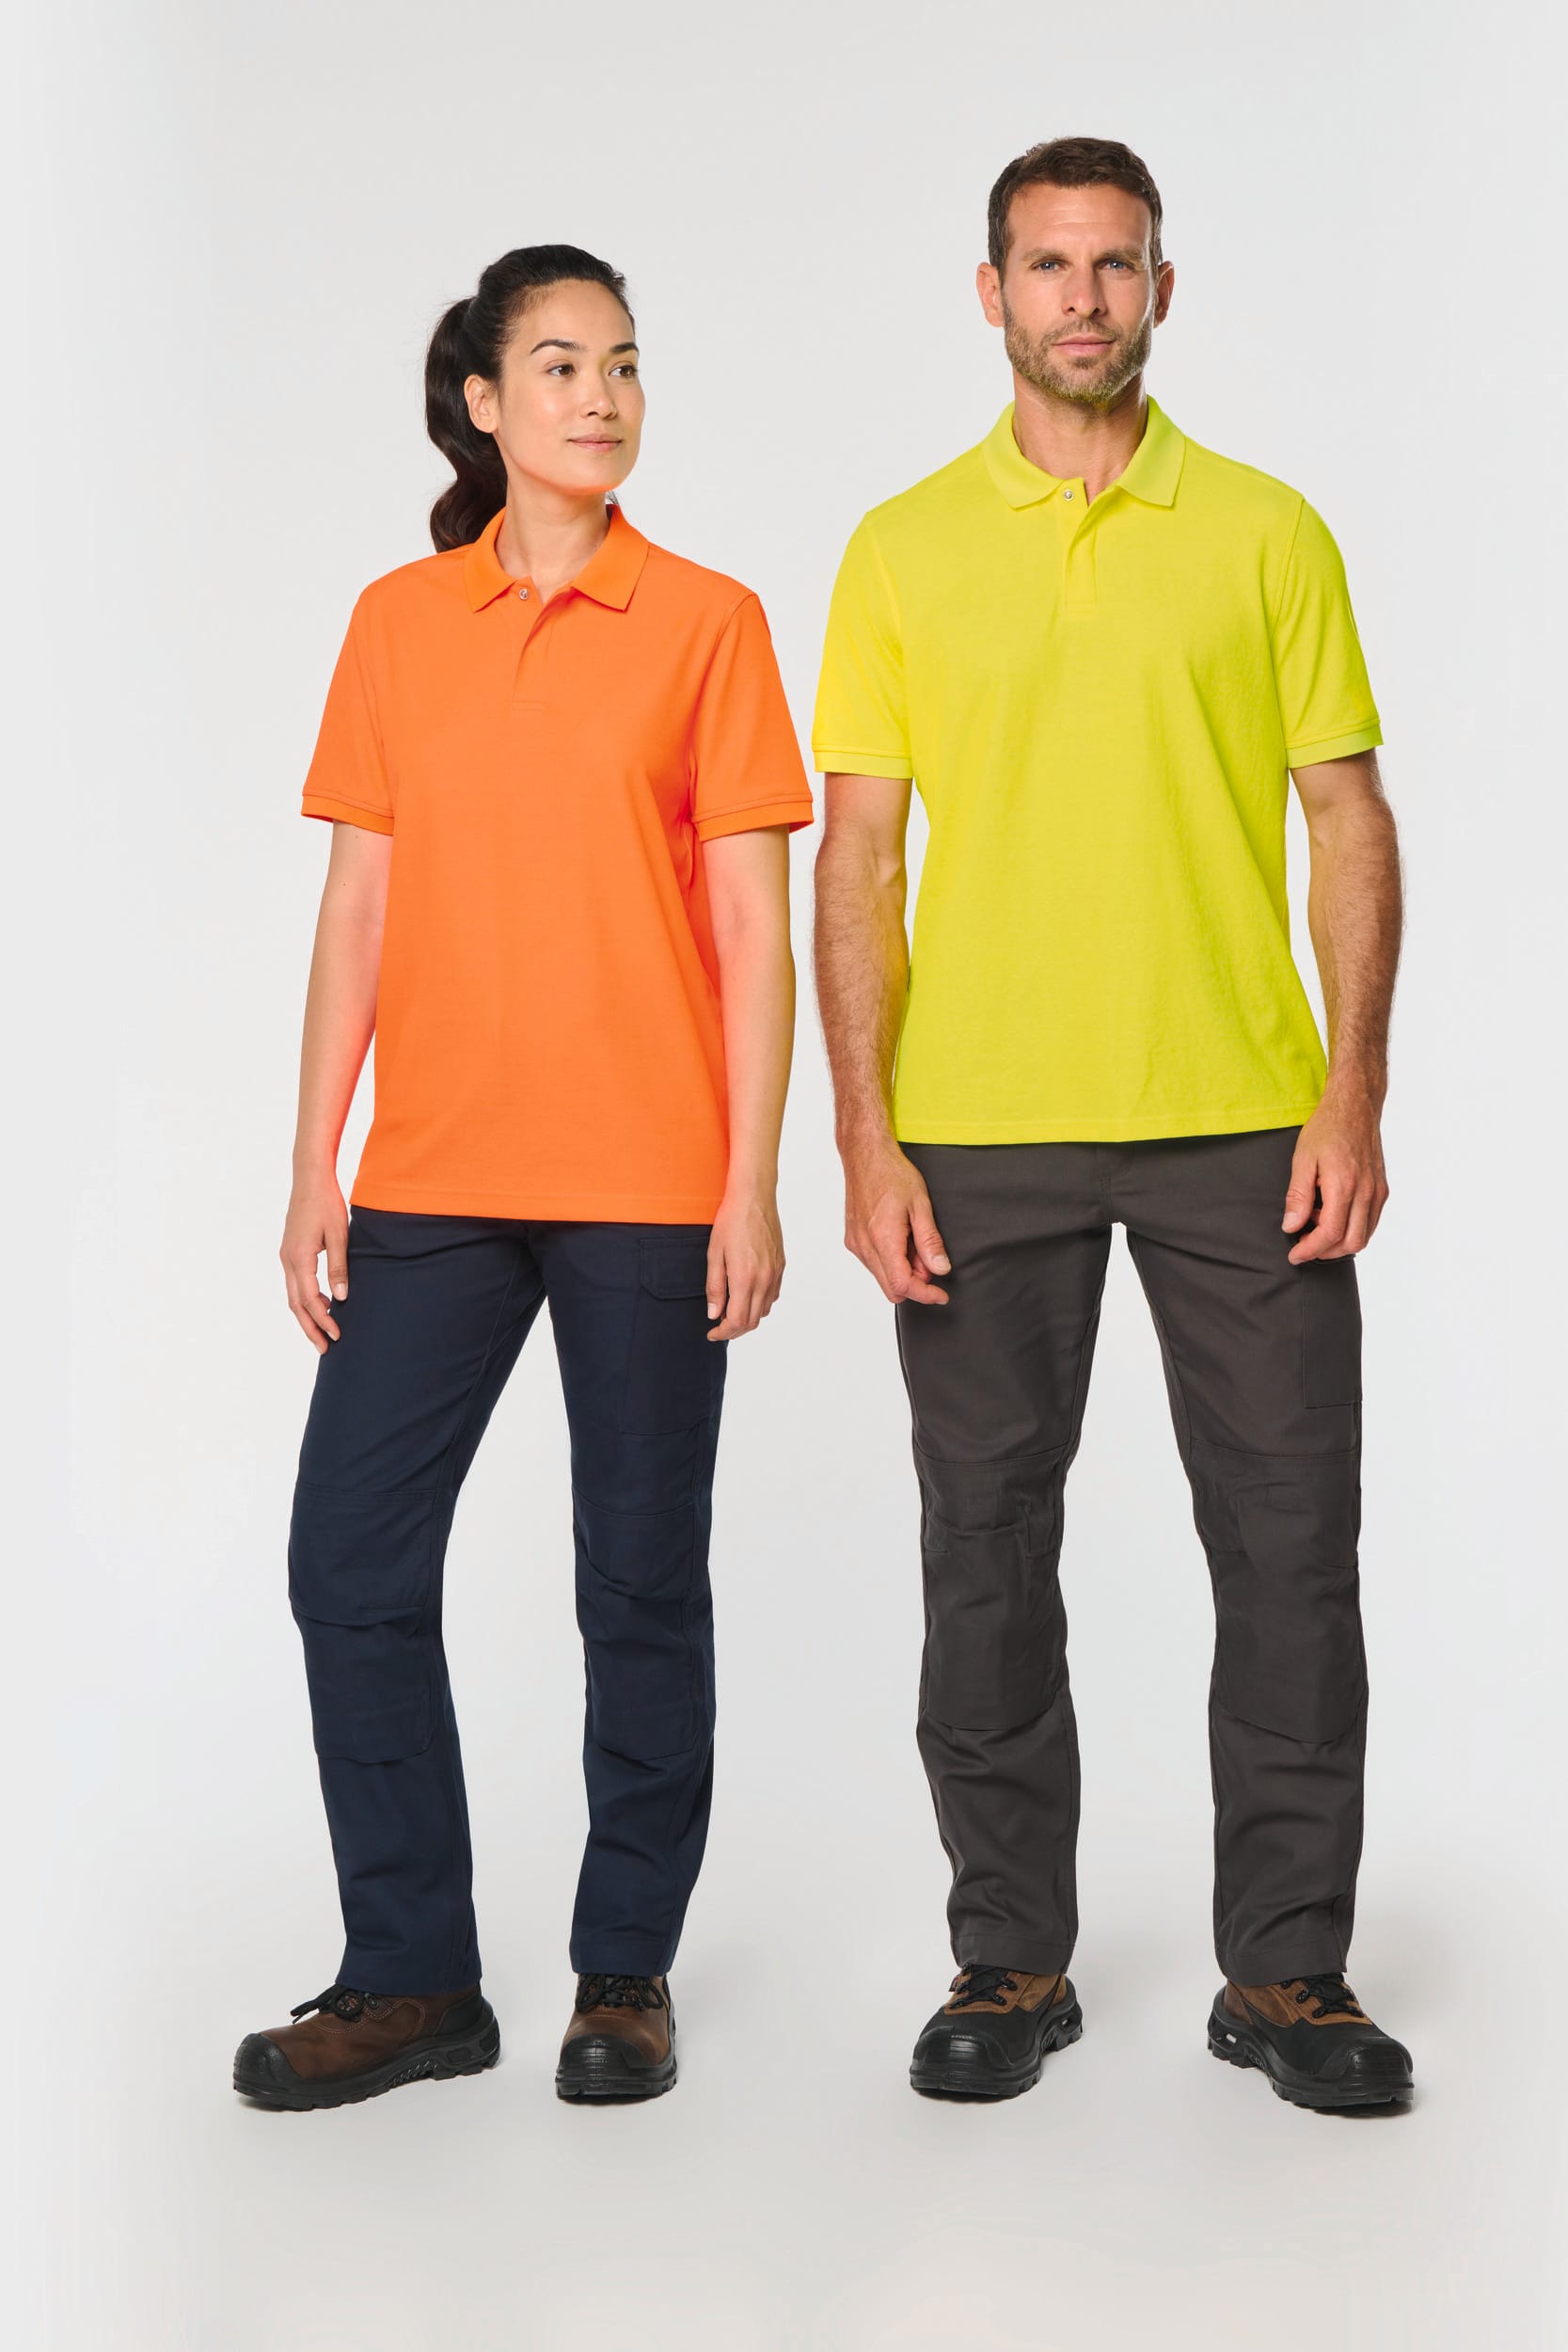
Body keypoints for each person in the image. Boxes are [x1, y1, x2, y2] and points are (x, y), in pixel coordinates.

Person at [813, 140, 1413, 2110]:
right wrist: (867, 1137)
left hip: (1244, 1119)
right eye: (1049, 264)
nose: (1084, 296)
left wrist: (1351, 1087)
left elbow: (1346, 817)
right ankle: (1011, 1955)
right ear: (989, 290)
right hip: (977, 1130)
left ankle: (1290, 1975)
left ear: (1165, 287)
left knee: (1291, 1542)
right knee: (984, 1547)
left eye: (1117, 264)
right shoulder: (901, 548)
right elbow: (858, 859)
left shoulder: (1266, 530)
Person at [232, 245, 813, 2111]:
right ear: (482, 402)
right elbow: (357, 908)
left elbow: (754, 924)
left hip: (649, 1180)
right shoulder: (398, 622)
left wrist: (751, 1177)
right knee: (349, 1563)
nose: (601, 396)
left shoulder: (709, 621)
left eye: (624, 363)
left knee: (637, 1581)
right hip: (433, 1180)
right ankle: (414, 1975)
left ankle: (621, 1971)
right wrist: (314, 1157)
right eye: (559, 364)